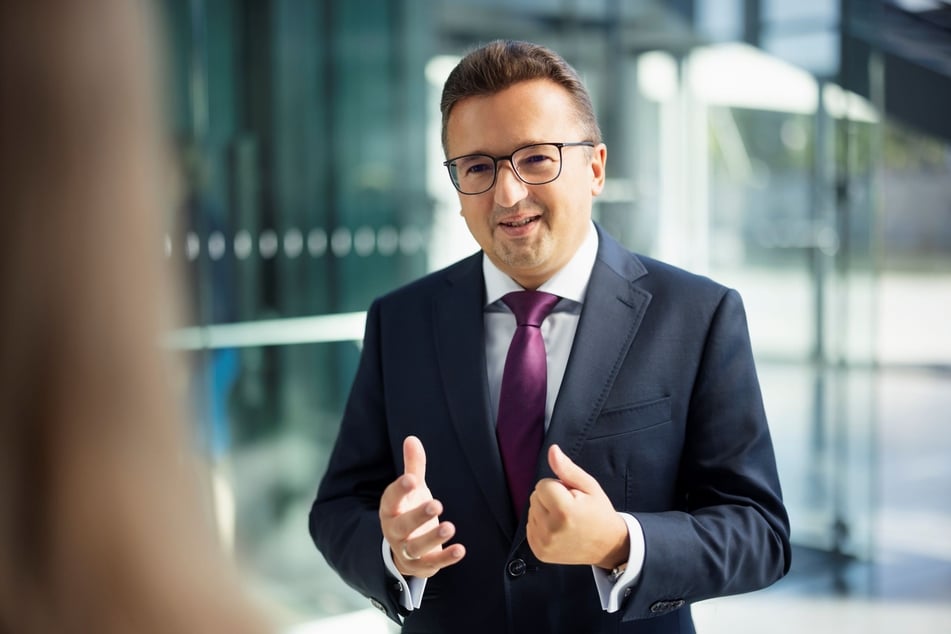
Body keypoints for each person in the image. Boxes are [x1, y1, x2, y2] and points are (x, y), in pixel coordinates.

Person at [310, 40, 791, 634]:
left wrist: (621, 542)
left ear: (595, 167)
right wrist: (392, 550)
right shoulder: (400, 320)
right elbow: (337, 509)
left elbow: (759, 531)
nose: (508, 196)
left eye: (537, 158)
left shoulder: (698, 314)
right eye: (478, 167)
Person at [0, 2, 270, 632]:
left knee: (205, 453)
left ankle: (214, 550)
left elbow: (218, 298)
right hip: (189, 354)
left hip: (209, 351)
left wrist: (190, 360)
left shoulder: (197, 220)